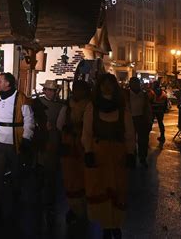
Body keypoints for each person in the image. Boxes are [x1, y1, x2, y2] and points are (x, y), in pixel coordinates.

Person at [82, 73, 135, 239]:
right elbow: (87, 132)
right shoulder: (93, 107)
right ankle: (106, 225)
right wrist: (88, 151)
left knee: (118, 189)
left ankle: (116, 224)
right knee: (100, 188)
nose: (106, 87)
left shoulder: (122, 108)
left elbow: (129, 133)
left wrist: (131, 152)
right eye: (103, 83)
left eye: (109, 84)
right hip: (99, 154)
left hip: (117, 154)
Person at [0, 72, 35, 226]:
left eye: (0, 80)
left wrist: (26, 138)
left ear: (8, 83)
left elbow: (29, 120)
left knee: (16, 175)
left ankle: (15, 206)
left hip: (14, 143)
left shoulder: (21, 99)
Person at [33, 80, 65, 228]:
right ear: (44, 90)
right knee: (39, 171)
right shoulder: (36, 103)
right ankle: (37, 199)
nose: (51, 93)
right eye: (49, 90)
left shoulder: (60, 106)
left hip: (53, 141)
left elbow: (61, 126)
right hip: (39, 140)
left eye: (54, 90)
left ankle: (49, 203)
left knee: (51, 173)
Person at [60, 80, 91, 224]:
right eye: (75, 89)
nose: (76, 92)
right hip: (69, 144)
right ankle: (74, 208)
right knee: (70, 178)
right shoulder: (68, 106)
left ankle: (82, 209)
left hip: (83, 145)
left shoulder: (90, 107)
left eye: (79, 89)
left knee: (82, 178)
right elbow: (60, 124)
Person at [125, 77, 152, 167]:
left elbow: (148, 109)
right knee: (130, 139)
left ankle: (142, 158)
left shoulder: (144, 95)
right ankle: (132, 157)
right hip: (130, 119)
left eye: (136, 83)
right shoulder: (126, 94)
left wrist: (149, 121)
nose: (134, 85)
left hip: (142, 119)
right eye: (132, 83)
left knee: (143, 140)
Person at [148, 81, 168, 145]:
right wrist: (164, 110)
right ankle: (162, 136)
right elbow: (165, 103)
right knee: (161, 123)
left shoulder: (151, 92)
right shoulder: (163, 92)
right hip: (160, 110)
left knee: (150, 123)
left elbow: (148, 102)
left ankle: (147, 137)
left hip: (153, 110)